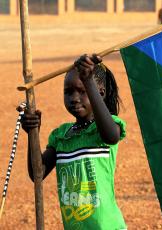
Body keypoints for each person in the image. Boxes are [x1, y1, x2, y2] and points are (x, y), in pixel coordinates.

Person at [20, 54, 127, 230]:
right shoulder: (61, 135)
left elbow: (111, 136)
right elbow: (37, 174)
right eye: (68, 92)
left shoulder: (104, 129)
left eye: (82, 90)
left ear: (99, 92)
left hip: (107, 226)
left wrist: (89, 81)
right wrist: (33, 134)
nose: (74, 98)